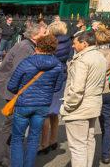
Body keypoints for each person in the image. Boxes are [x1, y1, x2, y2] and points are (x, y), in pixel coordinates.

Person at [0, 21, 46, 167]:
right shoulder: (25, 47)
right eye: (44, 33)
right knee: (10, 125)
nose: (46, 35)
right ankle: (2, 159)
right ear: (35, 35)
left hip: (15, 91)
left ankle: (3, 157)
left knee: (11, 125)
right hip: (14, 92)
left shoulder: (29, 46)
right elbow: (20, 72)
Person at [6, 32, 65, 167]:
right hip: (43, 104)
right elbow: (57, 87)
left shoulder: (26, 62)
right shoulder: (57, 65)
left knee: (17, 138)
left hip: (24, 103)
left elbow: (12, 85)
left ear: (38, 46)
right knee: (33, 139)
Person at [61, 31, 108, 167]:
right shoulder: (100, 56)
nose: (73, 46)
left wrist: (68, 106)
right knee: (88, 140)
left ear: (84, 43)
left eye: (75, 43)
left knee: (78, 147)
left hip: (80, 106)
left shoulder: (82, 60)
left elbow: (77, 88)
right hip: (93, 104)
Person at [38, 19, 71, 155]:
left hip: (48, 74)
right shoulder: (69, 42)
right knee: (54, 112)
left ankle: (44, 143)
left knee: (45, 111)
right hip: (62, 74)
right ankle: (53, 139)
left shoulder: (50, 42)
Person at [92, 26, 110, 166]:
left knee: (88, 124)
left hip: (92, 92)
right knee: (106, 123)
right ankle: (106, 154)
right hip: (109, 91)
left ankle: (86, 154)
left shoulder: (91, 54)